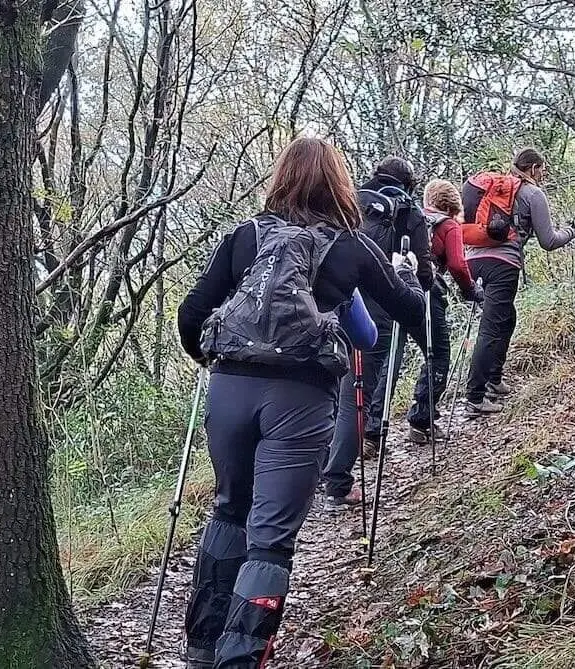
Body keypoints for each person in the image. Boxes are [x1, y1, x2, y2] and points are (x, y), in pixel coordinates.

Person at [175, 137, 426, 669]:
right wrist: (413, 283)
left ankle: (201, 651)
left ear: (281, 178)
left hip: (229, 389)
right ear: (339, 183)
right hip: (301, 397)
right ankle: (238, 661)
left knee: (228, 513)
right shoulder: (354, 246)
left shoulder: (246, 236)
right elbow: (409, 313)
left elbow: (192, 312)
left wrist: (219, 362)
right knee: (270, 541)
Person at [322, 157, 435, 510]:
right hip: (376, 313)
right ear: (409, 182)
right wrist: (414, 278)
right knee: (356, 397)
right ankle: (337, 484)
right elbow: (424, 270)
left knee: (327, 390)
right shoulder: (409, 212)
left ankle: (313, 471)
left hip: (331, 304)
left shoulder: (349, 200)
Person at [461, 148, 575, 416]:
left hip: (472, 260)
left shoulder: (496, 190)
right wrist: (572, 232)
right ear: (534, 168)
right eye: (542, 170)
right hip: (503, 264)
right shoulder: (531, 193)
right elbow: (548, 241)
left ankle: (494, 377)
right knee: (492, 326)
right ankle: (476, 396)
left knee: (506, 318)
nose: (544, 175)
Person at [404, 179, 485, 443]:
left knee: (386, 359)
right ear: (452, 203)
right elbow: (458, 266)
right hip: (427, 291)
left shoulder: (412, 217)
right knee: (438, 353)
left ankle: (371, 430)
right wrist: (471, 292)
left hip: (397, 288)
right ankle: (422, 419)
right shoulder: (448, 225)